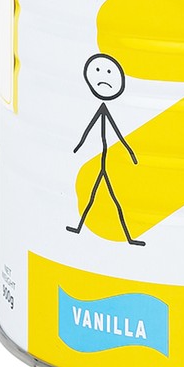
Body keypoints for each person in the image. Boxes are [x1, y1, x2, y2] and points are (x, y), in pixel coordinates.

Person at [66, 54, 145, 246]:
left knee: (109, 200)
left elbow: (118, 135)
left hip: (107, 163)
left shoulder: (106, 110)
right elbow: (89, 130)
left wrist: (130, 153)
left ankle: (127, 237)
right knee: (96, 198)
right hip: (102, 163)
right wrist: (78, 146)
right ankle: (80, 227)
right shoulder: (102, 109)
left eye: (109, 72)